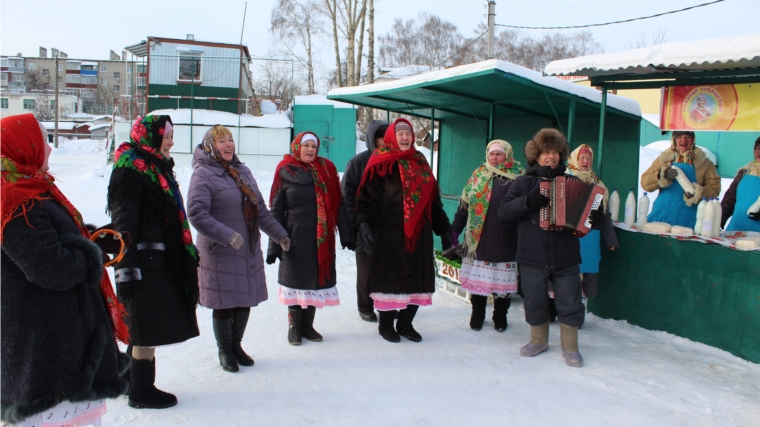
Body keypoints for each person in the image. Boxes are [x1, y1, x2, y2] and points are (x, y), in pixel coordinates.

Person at [1, 114, 130, 426]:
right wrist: (92, 254)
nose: (49, 149)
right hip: (48, 352)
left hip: (57, 344)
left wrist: (91, 237)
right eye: (43, 141)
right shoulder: (16, 200)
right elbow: (49, 267)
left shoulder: (30, 188)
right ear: (25, 147)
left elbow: (52, 242)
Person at [107, 115, 200, 409]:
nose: (171, 141)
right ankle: (142, 392)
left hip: (157, 261)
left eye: (172, 135)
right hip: (144, 264)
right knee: (146, 330)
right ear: (150, 136)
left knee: (145, 327)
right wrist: (128, 272)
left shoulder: (153, 168)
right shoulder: (131, 172)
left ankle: (133, 382)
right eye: (167, 135)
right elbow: (124, 227)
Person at [187, 125, 290, 373]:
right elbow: (196, 213)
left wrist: (280, 235)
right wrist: (227, 235)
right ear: (211, 146)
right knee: (225, 302)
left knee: (243, 300)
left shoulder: (242, 171)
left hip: (246, 249)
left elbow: (260, 210)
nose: (229, 144)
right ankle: (224, 350)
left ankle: (236, 345)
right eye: (222, 141)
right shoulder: (203, 174)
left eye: (231, 139)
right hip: (220, 251)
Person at [498, 128, 604, 368]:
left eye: (556, 152)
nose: (551, 156)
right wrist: (527, 202)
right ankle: (538, 341)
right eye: (546, 152)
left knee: (570, 300)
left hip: (565, 255)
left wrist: (595, 218)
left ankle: (570, 348)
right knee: (534, 299)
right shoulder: (524, 183)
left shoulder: (574, 181)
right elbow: (503, 212)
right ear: (536, 156)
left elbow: (592, 216)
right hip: (532, 253)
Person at [356, 118, 452, 343]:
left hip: (419, 237)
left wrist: (444, 229)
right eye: (400, 134)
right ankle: (386, 325)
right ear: (391, 136)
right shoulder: (380, 162)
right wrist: (363, 224)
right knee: (389, 282)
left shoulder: (420, 162)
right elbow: (365, 200)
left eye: (408, 134)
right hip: (388, 235)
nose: (405, 138)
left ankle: (406, 323)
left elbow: (433, 201)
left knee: (417, 281)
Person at [266, 132, 353, 345]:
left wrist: (347, 234)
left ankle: (308, 326)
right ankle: (294, 328)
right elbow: (276, 212)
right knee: (296, 283)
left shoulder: (327, 170)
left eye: (314, 146)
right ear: (297, 147)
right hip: (294, 240)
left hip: (321, 241)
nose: (311, 150)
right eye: (306, 145)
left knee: (315, 282)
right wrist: (274, 247)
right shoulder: (285, 171)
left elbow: (338, 205)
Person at [450, 139, 524, 332]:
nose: (494, 157)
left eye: (499, 154)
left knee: (502, 285)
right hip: (479, 239)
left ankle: (500, 316)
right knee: (479, 283)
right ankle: (478, 315)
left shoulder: (519, 177)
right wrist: (454, 229)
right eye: (491, 154)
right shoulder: (478, 175)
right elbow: (464, 207)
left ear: (507, 155)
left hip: (507, 239)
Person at [342, 119, 389, 322]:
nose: (384, 141)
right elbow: (347, 196)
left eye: (387, 136)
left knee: (388, 269)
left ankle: (386, 305)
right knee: (366, 270)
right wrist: (356, 225)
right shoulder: (358, 162)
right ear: (372, 138)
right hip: (364, 224)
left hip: (389, 226)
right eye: (380, 136)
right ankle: (365, 306)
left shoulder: (394, 160)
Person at [566, 144, 619, 302]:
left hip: (590, 238)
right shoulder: (564, 179)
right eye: (582, 158)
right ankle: (558, 311)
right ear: (575, 159)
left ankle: (578, 314)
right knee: (565, 274)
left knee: (586, 276)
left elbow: (605, 216)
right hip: (568, 237)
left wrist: (611, 241)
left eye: (589, 159)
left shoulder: (598, 185)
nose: (585, 161)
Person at [640, 131, 721, 229]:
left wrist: (698, 194)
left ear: (693, 140)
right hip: (662, 214)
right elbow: (645, 183)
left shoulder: (705, 163)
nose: (683, 140)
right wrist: (660, 175)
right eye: (679, 137)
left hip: (689, 219)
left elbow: (715, 188)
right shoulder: (663, 160)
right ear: (674, 139)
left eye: (687, 137)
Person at [720, 136, 760, 232]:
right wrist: (719, 219)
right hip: (736, 229)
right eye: (758, 148)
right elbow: (730, 199)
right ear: (754, 150)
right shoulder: (744, 172)